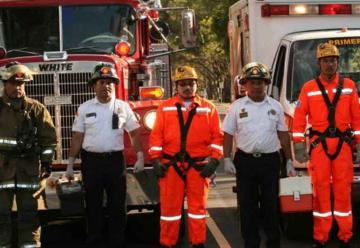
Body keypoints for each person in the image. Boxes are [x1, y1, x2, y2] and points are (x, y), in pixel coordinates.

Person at [65, 64, 144, 248]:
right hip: (91, 163)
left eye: (110, 82)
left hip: (115, 162)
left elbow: (134, 133)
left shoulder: (123, 107)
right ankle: (94, 240)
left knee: (117, 205)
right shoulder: (84, 108)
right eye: (101, 82)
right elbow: (77, 137)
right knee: (93, 205)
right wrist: (69, 165)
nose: (106, 86)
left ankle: (117, 241)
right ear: (94, 85)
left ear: (114, 85)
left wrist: (140, 156)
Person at [292, 43, 360, 248]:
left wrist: (357, 143)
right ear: (319, 64)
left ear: (337, 62)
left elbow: (357, 118)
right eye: (325, 61)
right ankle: (321, 237)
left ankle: (345, 236)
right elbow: (299, 117)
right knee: (320, 192)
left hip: (343, 146)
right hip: (319, 146)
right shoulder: (309, 88)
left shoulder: (349, 86)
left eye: (333, 60)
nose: (329, 64)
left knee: (343, 191)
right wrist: (298, 145)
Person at [148, 65, 223, 248]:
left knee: (197, 210)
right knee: (169, 211)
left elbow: (217, 137)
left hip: (199, 167)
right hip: (170, 166)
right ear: (176, 86)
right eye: (183, 84)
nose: (187, 87)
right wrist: (155, 160)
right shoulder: (165, 108)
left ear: (196, 85)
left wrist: (214, 161)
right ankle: (168, 243)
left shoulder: (208, 108)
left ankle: (198, 243)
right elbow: (156, 135)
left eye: (190, 83)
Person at [222, 62, 294, 248]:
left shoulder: (276, 106)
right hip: (245, 162)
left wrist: (289, 161)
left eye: (260, 82)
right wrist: (227, 158)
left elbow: (283, 135)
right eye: (252, 82)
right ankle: (251, 243)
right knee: (248, 207)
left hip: (270, 162)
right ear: (244, 85)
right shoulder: (236, 107)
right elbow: (228, 133)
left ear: (266, 84)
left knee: (271, 205)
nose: (256, 86)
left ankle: (273, 241)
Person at [0, 62, 57, 248]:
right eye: (14, 84)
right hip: (2, 171)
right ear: (4, 84)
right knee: (1, 217)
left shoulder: (36, 109)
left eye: (22, 84)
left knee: (29, 217)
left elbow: (48, 139)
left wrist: (47, 162)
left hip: (28, 171)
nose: (18, 88)